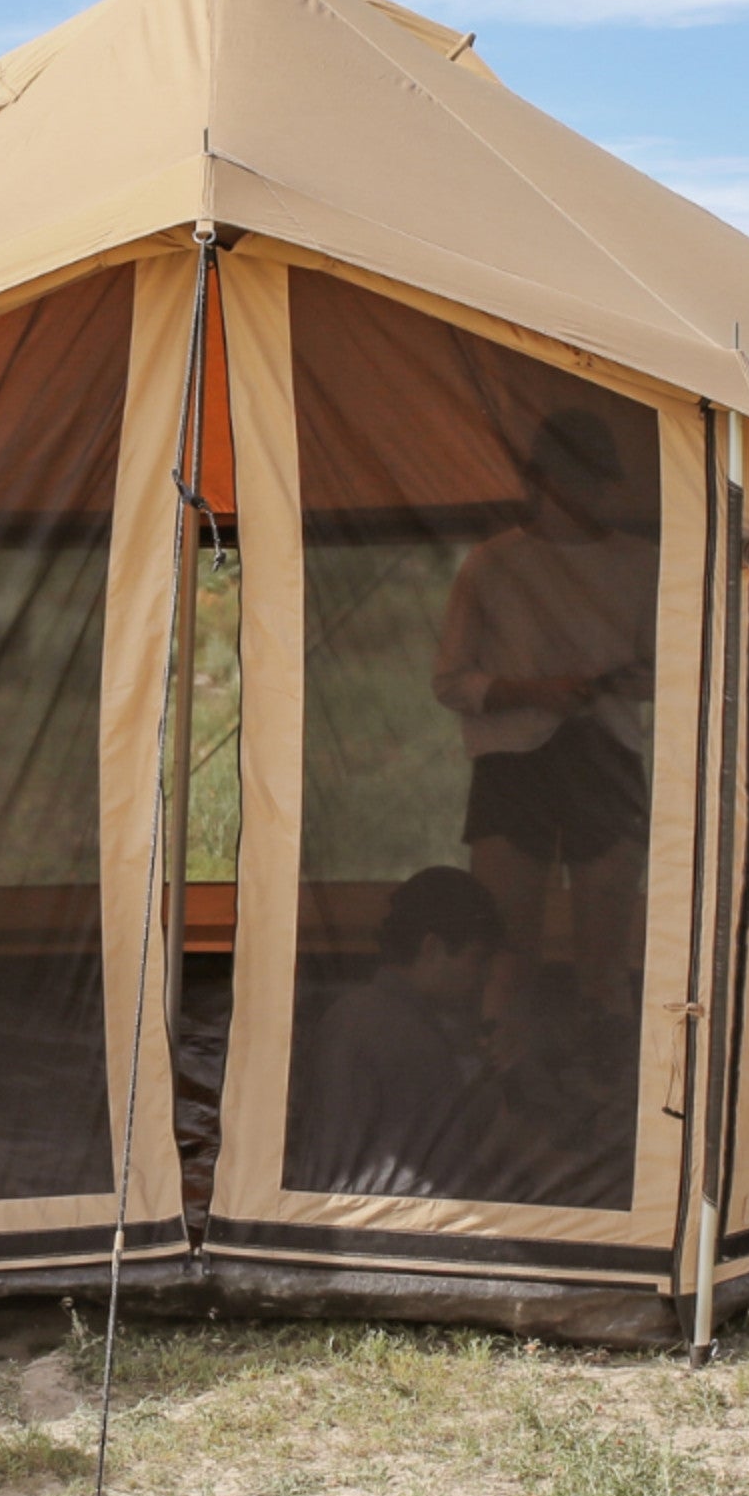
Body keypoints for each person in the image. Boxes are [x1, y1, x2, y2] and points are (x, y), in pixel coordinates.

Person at [433, 407, 656, 1020]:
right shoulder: (492, 563)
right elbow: (451, 681)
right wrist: (533, 692)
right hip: (513, 765)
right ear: (537, 480)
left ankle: (608, 1088)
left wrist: (617, 684)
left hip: (607, 756)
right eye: (564, 478)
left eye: (589, 481)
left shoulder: (641, 563)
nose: (576, 494)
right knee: (506, 954)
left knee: (606, 960)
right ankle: (505, 1085)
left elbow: (673, 669)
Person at [287, 867, 505, 1199]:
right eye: (478, 960)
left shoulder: (353, 1012)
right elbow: (440, 1180)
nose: (485, 977)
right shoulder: (406, 1038)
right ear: (431, 948)